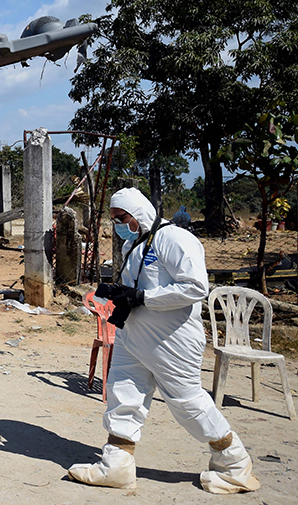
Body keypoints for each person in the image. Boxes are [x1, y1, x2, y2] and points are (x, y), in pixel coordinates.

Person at [68, 187, 259, 494]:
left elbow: (196, 288)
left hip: (172, 340)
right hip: (134, 334)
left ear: (139, 213)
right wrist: (121, 292)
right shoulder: (136, 243)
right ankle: (116, 465)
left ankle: (234, 464)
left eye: (122, 217)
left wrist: (143, 297)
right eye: (114, 218)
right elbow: (141, 286)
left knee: (187, 403)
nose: (118, 224)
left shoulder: (175, 239)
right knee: (123, 393)